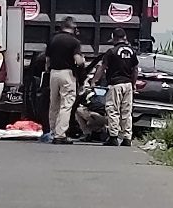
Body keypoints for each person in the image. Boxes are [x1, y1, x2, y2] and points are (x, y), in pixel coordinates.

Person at [94, 28, 138, 147]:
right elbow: (135, 70)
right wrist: (133, 84)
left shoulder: (111, 52)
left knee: (113, 110)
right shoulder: (132, 51)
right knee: (126, 112)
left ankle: (113, 136)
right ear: (124, 37)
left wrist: (94, 81)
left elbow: (102, 68)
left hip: (115, 84)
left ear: (114, 38)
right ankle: (127, 138)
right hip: (128, 84)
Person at [46, 17, 85, 145]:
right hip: (67, 74)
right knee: (66, 105)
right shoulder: (74, 42)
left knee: (54, 104)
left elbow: (47, 60)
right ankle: (60, 135)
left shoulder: (53, 39)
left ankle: (52, 132)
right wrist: (83, 62)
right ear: (72, 28)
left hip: (53, 73)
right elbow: (78, 61)